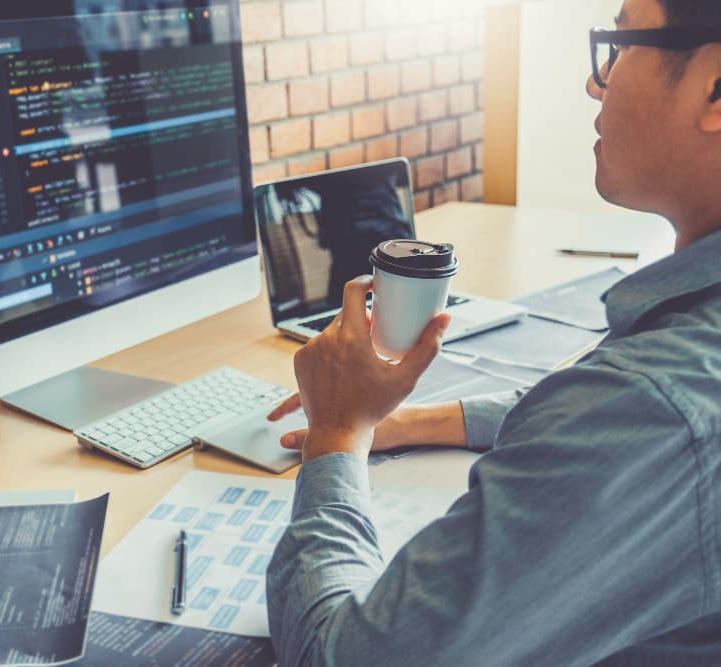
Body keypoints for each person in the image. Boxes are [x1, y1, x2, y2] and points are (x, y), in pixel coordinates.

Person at [264, 0, 721, 664]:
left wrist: (336, 435)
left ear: (715, 87)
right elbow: (593, 417)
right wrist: (401, 422)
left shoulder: (656, 403)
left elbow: (342, 656)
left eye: (619, 45)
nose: (594, 82)